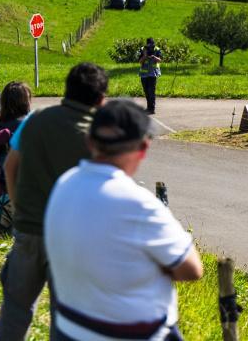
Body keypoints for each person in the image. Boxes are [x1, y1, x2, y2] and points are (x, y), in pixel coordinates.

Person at [45, 100, 202, 341]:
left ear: (89, 141)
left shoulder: (63, 183)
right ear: (144, 147)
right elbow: (192, 269)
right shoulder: (139, 204)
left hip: (69, 328)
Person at [0, 62, 108, 341]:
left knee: (15, 310)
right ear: (100, 99)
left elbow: (10, 166)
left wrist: (19, 209)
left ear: (66, 90)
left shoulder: (35, 120)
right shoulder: (99, 136)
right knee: (64, 318)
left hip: (29, 230)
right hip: (71, 240)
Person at [137, 38, 162, 115]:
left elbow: (160, 60)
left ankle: (152, 109)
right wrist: (145, 56)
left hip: (153, 74)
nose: (150, 48)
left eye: (152, 46)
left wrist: (154, 57)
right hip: (144, 75)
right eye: (149, 46)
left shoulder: (157, 49)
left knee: (151, 92)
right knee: (146, 92)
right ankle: (149, 107)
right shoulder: (142, 49)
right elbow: (140, 61)